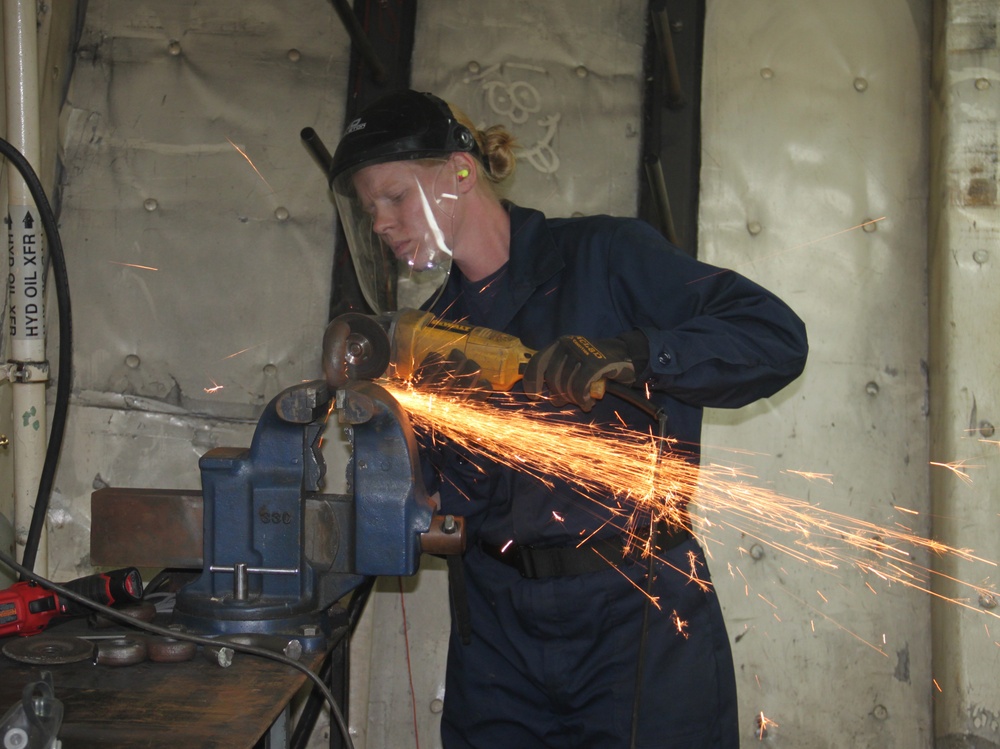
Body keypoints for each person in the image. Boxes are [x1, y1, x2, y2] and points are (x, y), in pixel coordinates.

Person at [327, 90, 808, 749]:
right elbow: (441, 502)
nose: (381, 222)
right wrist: (394, 457)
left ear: (460, 172)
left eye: (393, 197)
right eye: (368, 208)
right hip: (498, 634)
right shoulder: (429, 336)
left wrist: (635, 352)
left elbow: (774, 336)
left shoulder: (605, 256)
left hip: (635, 613)